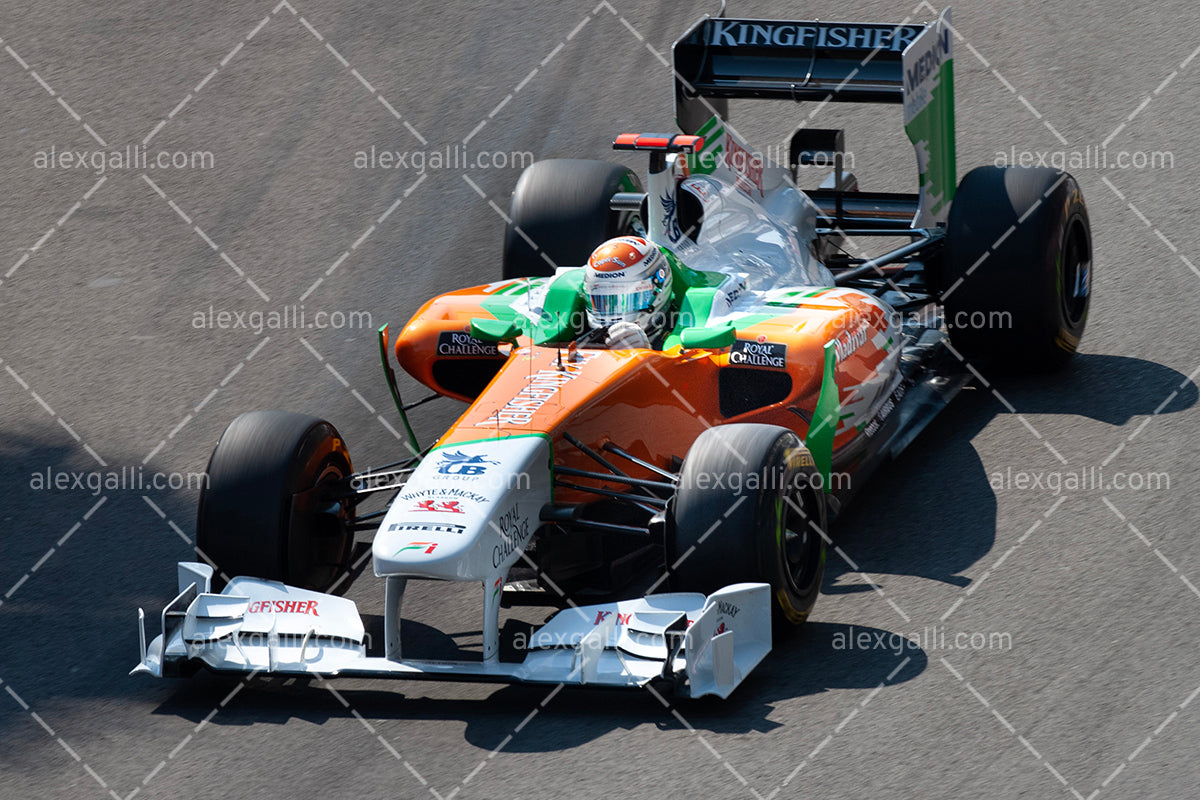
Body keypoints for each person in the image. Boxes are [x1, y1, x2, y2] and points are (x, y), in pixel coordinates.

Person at [582, 236, 674, 349]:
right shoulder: (578, 331)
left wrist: (645, 353)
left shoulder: (679, 333)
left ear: (658, 290)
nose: (611, 314)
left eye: (631, 299)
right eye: (601, 301)